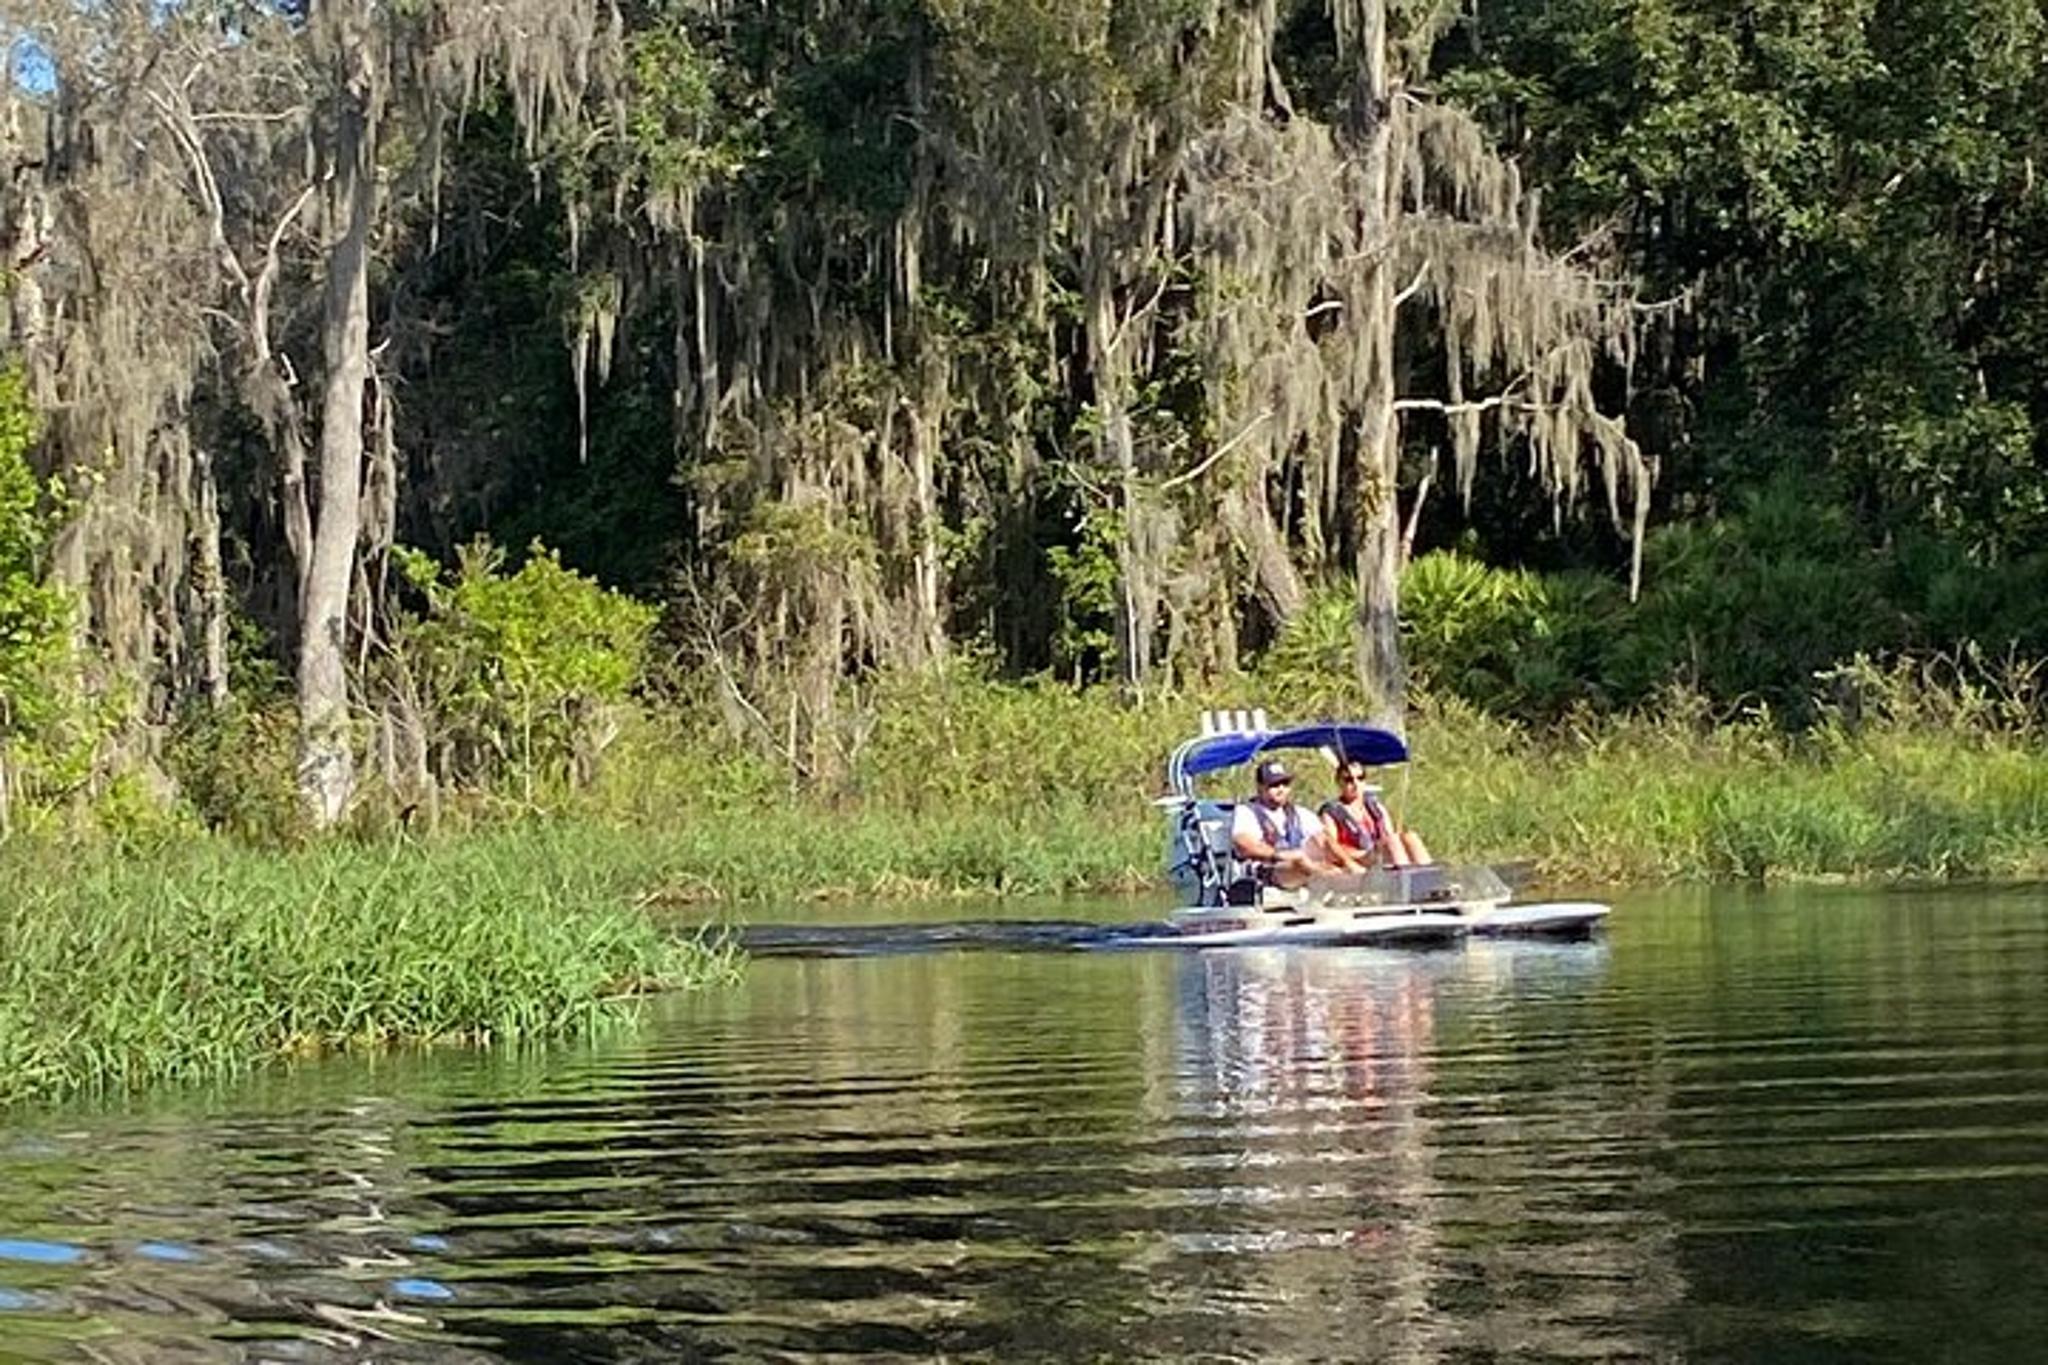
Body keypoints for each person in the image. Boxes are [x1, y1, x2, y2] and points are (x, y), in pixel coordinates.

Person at [1231, 758, 1329, 889]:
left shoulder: (1300, 813)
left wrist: (1347, 861)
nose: (1281, 789)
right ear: (1260, 787)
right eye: (1274, 785)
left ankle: (1348, 882)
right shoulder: (1246, 811)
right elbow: (1244, 844)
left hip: (1300, 866)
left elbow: (1324, 841)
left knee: (1329, 862)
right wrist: (1278, 855)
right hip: (1263, 873)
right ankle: (1334, 882)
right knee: (1299, 862)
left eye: (1285, 784)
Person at [1319, 759, 1433, 869]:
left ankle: (1429, 878)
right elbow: (1330, 847)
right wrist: (1357, 858)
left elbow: (1389, 834)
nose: (1355, 783)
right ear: (1339, 782)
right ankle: (1403, 880)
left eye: (1360, 778)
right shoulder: (1331, 813)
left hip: (1380, 852)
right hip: (1360, 856)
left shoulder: (1375, 807)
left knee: (1410, 837)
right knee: (1391, 842)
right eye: (1348, 779)